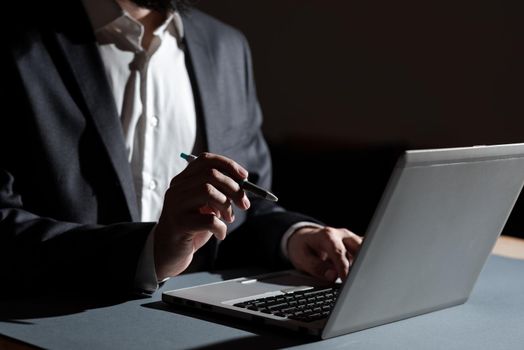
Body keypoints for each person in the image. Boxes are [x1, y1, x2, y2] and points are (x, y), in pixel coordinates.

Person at [0, 0, 362, 297]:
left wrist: (297, 238)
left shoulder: (227, 47)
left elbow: (250, 211)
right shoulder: (16, 38)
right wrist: (149, 252)